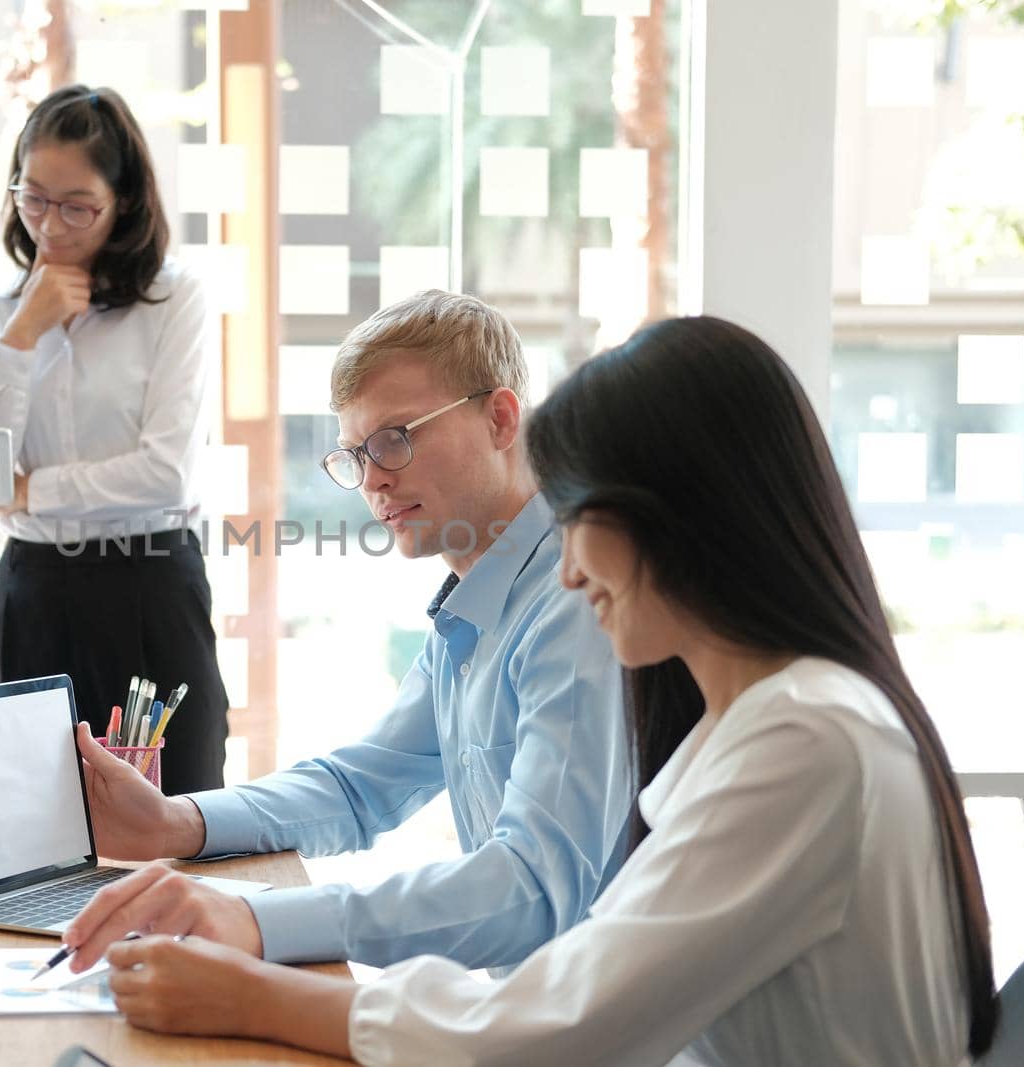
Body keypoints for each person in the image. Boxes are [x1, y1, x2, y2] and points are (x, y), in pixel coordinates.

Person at [90, 315, 1001, 1066]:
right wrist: (186, 831)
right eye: (356, 453)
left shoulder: (806, 741)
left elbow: (564, 1012)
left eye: (581, 515)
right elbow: (374, 789)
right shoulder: (763, 720)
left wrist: (256, 974)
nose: (567, 569)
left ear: (688, 517)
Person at [58, 289, 630, 976]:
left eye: (395, 439)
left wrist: (256, 920)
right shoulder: (477, 602)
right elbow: (360, 786)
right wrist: (176, 821)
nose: (374, 482)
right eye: (356, 455)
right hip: (519, 1012)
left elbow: (532, 891)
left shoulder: (575, 601)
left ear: (501, 418)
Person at [0, 84, 229, 796]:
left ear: (125, 200)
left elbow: (165, 474)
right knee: (33, 827)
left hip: (150, 585)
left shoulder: (175, 298)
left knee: (175, 816)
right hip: (33, 589)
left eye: (77, 206)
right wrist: (20, 337)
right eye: (33, 198)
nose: (50, 226)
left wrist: (30, 490)